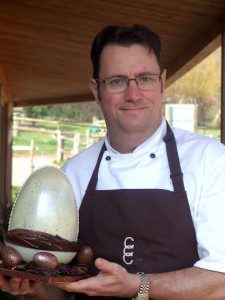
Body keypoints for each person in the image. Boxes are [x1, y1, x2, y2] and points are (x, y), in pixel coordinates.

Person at [1, 24, 225, 299]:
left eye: (145, 78)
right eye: (117, 81)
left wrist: (137, 285)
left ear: (163, 82)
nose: (133, 94)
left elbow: (220, 281)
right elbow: (58, 291)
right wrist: (31, 286)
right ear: (96, 90)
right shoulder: (74, 173)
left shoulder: (209, 160)